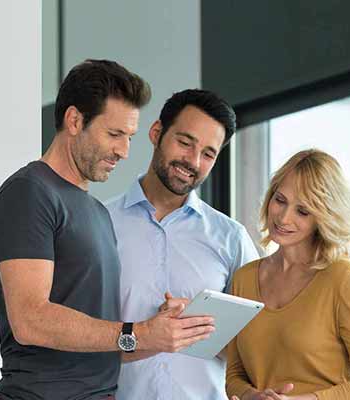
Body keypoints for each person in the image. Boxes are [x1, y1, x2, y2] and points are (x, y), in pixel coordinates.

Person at [0, 60, 215, 400]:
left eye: (130, 137)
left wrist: (159, 334)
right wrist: (137, 332)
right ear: (75, 120)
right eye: (114, 134)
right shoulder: (29, 192)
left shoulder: (97, 211)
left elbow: (102, 345)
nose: (124, 151)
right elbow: (30, 319)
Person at [106, 89, 258, 400]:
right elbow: (76, 337)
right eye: (185, 143)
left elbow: (257, 346)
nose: (193, 161)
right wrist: (146, 335)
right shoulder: (99, 224)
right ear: (156, 133)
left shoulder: (232, 239)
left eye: (208, 154)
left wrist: (201, 325)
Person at [226, 149, 350, 400]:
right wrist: (252, 396)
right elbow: (234, 374)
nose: (284, 218)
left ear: (324, 217)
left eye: (303, 211)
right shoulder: (244, 278)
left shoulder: (342, 278)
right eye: (280, 200)